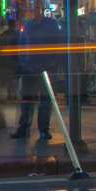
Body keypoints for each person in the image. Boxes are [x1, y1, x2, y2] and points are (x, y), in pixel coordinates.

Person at [12, 12, 63, 140]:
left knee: (41, 100)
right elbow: (22, 43)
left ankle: (41, 129)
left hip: (43, 67)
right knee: (29, 100)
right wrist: (23, 59)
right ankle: (27, 128)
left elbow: (57, 43)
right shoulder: (30, 26)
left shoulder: (48, 25)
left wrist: (53, 61)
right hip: (32, 67)